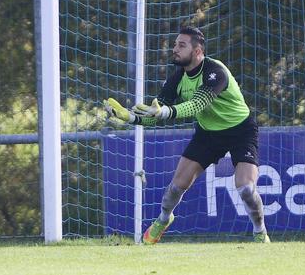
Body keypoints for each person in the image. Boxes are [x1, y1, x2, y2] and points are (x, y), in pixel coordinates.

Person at [104, 26, 269, 244]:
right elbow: (156, 113)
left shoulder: (215, 71)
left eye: (181, 45)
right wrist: (131, 118)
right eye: (175, 44)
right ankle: (163, 220)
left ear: (198, 51)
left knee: (246, 188)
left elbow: (196, 104)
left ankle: (260, 232)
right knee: (175, 187)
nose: (175, 49)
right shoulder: (176, 79)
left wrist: (164, 111)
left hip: (240, 131)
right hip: (208, 134)